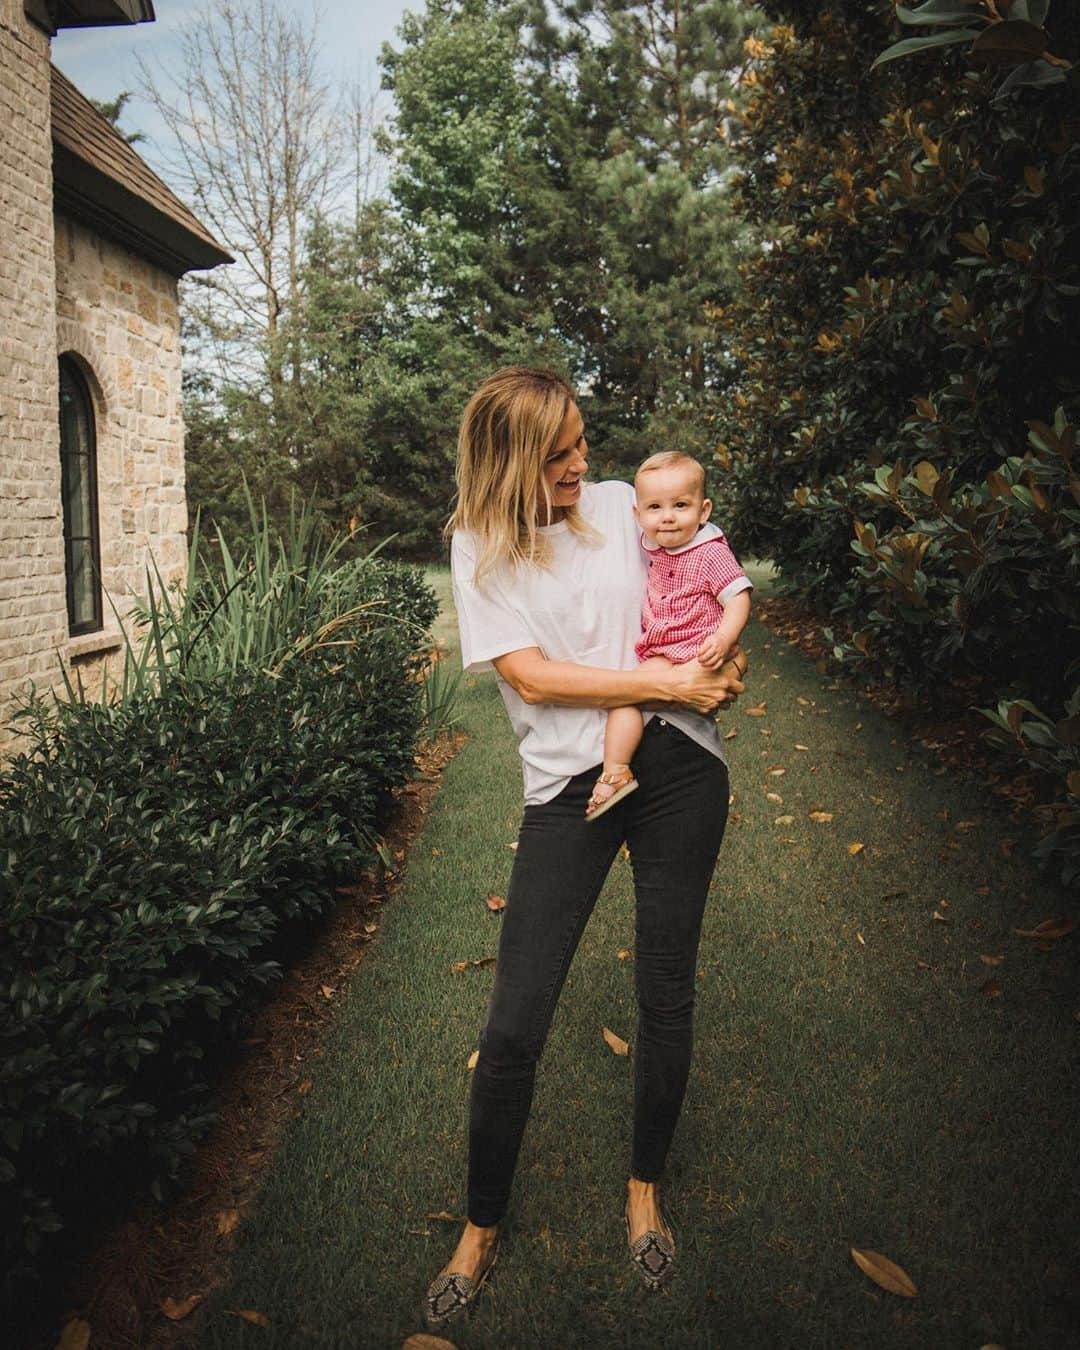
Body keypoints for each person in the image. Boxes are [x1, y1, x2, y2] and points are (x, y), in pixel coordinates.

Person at [424, 367, 745, 1330]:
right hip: (571, 786)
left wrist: (714, 662)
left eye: (580, 443)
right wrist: (663, 683)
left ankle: (645, 1188)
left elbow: (707, 581)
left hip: (681, 768)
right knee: (515, 1023)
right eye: (559, 452)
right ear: (513, 458)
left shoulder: (620, 504)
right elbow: (533, 677)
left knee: (665, 990)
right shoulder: (480, 545)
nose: (581, 464)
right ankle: (480, 1227)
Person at [585, 450, 752, 820]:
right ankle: (620, 769)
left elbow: (738, 597)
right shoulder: (655, 546)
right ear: (638, 515)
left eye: (680, 505)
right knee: (630, 695)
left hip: (695, 648)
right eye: (655, 507)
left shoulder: (709, 551)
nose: (668, 517)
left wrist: (724, 640)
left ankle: (615, 772)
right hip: (666, 649)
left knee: (625, 696)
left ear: (704, 510)